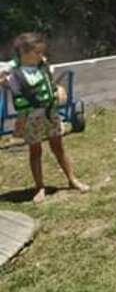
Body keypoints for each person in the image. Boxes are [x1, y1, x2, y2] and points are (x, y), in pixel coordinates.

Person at [0, 33, 89, 203]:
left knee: (59, 148)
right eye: (37, 52)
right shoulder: (13, 72)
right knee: (35, 151)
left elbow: (50, 82)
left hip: (49, 113)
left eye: (42, 52)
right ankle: (39, 187)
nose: (41, 56)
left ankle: (72, 180)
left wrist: (58, 90)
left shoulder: (42, 66)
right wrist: (9, 71)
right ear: (23, 53)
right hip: (30, 118)